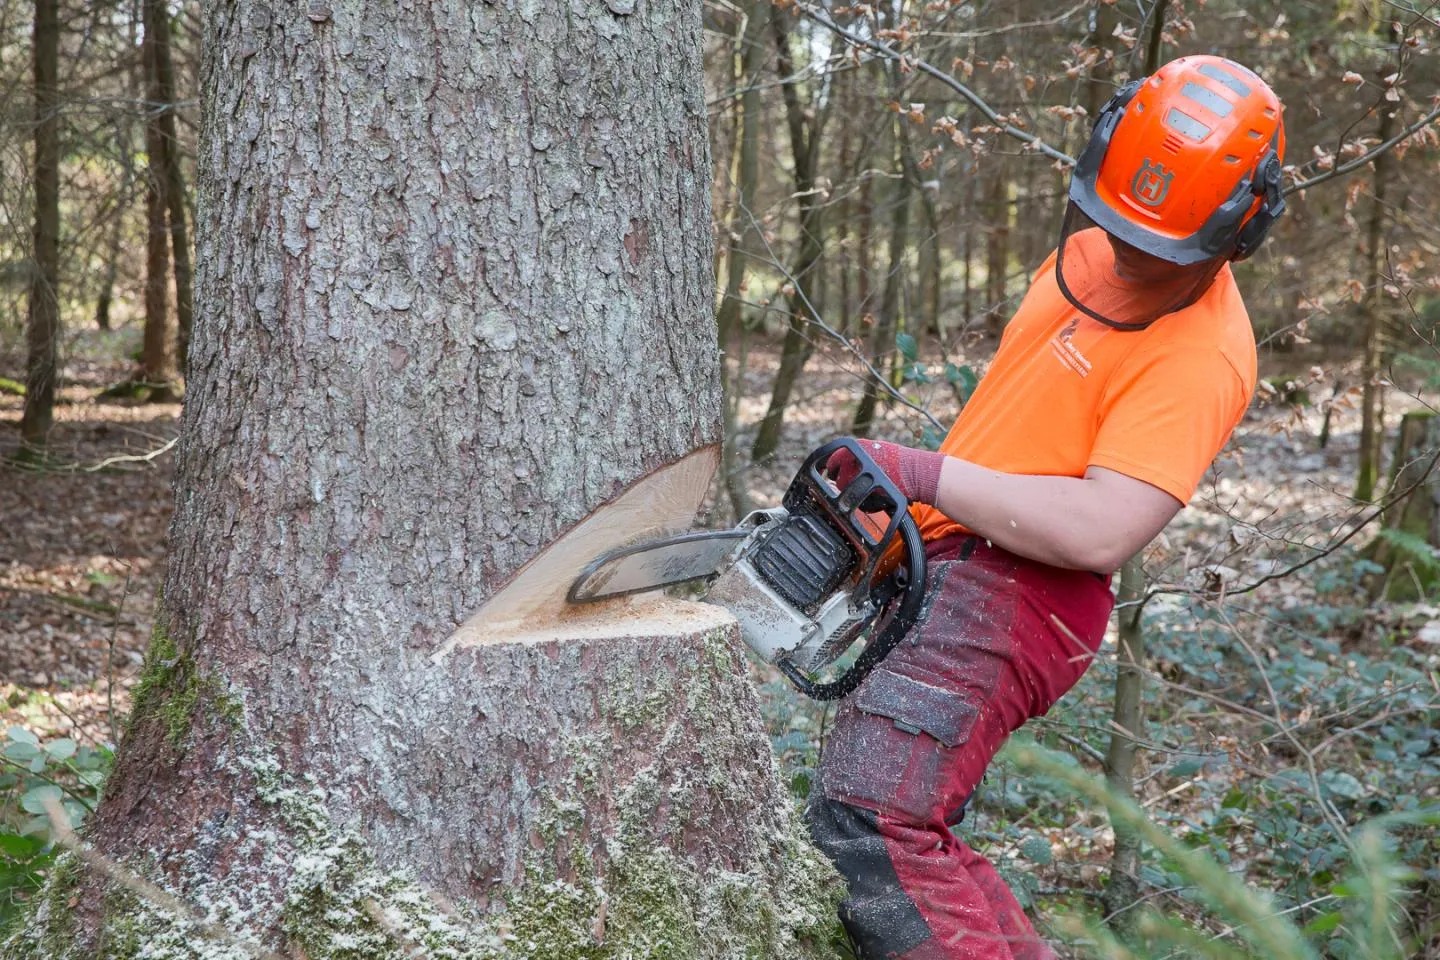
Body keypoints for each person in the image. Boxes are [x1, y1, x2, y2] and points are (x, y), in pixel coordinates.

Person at [809, 55, 1286, 960]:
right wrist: (902, 525)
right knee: (907, 825)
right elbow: (1024, 423)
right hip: (963, 560)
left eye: (1164, 244)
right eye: (1120, 225)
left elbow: (1104, 524)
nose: (1133, 253)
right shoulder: (1085, 250)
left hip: (1025, 595)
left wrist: (921, 474)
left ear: (1241, 226)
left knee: (868, 823)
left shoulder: (1202, 355)